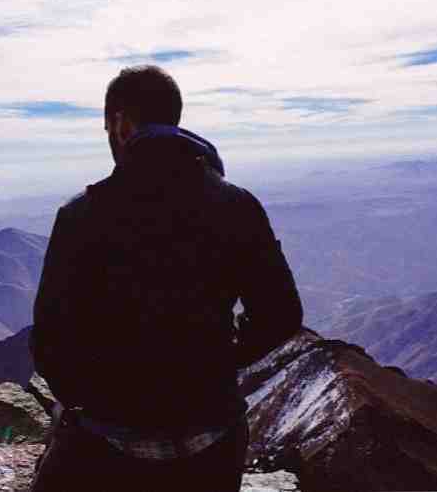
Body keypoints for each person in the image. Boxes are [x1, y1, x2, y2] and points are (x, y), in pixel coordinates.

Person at [28, 65, 304, 491]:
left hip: (108, 441)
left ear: (119, 123)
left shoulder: (81, 214)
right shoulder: (237, 205)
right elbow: (282, 314)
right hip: (211, 437)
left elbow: (49, 341)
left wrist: (94, 398)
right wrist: (220, 360)